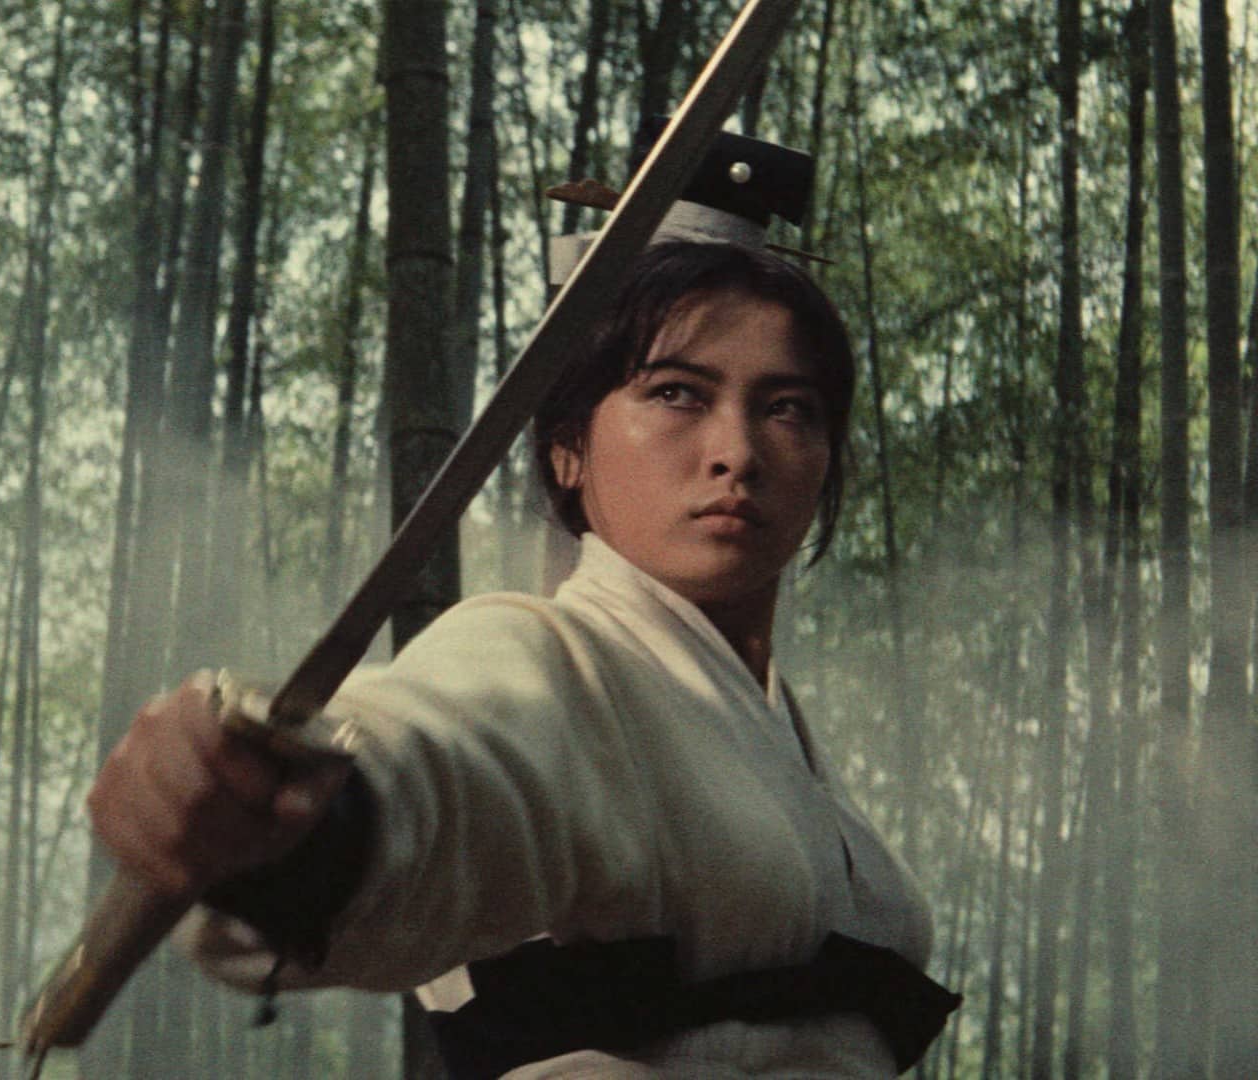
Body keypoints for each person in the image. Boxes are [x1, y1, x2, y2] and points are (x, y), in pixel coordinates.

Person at [88, 132, 960, 1079]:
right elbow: (443, 759)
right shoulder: (548, 659)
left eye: (788, 407)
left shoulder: (777, 736)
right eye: (677, 393)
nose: (736, 451)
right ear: (567, 450)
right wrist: (302, 820)